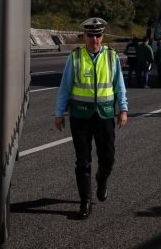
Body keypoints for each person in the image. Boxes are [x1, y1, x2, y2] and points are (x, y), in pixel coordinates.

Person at [54, 17, 128, 220]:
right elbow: (65, 87)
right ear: (84, 36)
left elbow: (119, 85)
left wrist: (123, 109)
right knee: (82, 162)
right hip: (80, 116)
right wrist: (59, 113)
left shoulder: (111, 57)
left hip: (104, 115)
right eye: (90, 35)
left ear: (102, 36)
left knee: (108, 159)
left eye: (98, 35)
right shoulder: (75, 57)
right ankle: (85, 203)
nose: (94, 40)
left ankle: (101, 180)